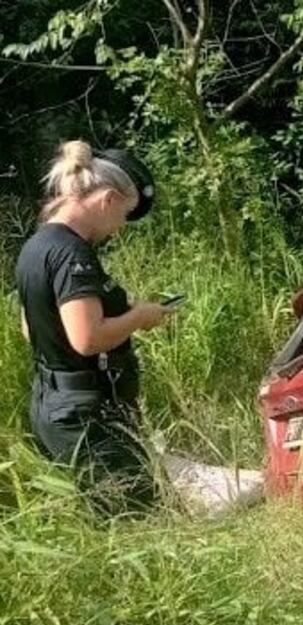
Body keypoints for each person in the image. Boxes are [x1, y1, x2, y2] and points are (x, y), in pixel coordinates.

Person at [15, 140, 172, 516]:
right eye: (124, 216)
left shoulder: (38, 245)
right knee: (139, 520)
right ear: (107, 199)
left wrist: (116, 314)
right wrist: (138, 318)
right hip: (85, 414)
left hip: (55, 405)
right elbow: (87, 339)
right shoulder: (73, 254)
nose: (118, 229)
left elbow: (30, 328)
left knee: (110, 519)